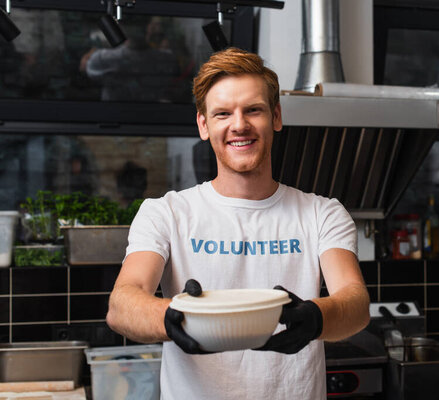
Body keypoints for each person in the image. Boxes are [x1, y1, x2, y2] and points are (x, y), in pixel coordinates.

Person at [106, 47, 370, 399]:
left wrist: (315, 317)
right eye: (222, 113)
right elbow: (122, 304)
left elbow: (355, 303)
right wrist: (171, 316)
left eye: (254, 110)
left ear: (276, 117)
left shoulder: (322, 213)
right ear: (203, 125)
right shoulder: (166, 213)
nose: (239, 124)